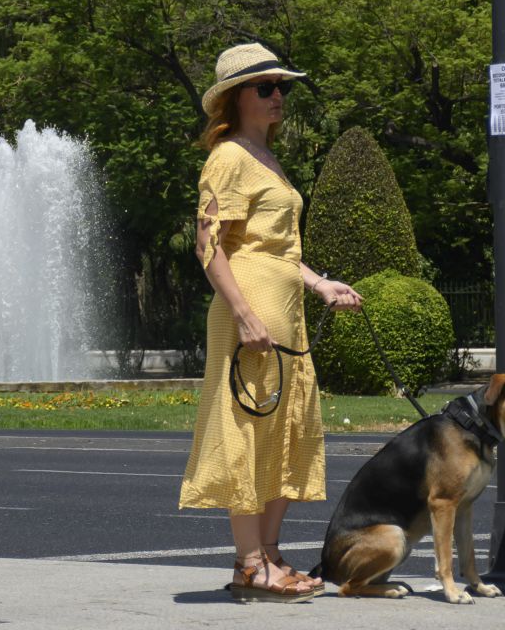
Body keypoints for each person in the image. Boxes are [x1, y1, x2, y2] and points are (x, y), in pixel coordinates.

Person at [178, 42, 363, 602]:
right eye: (266, 87)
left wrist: (318, 282)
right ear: (236, 98)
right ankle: (250, 562)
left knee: (284, 428)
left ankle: (271, 554)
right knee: (248, 428)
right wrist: (243, 313)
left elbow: (279, 249)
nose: (278, 95)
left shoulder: (267, 158)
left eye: (282, 86)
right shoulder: (230, 156)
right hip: (251, 308)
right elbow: (209, 246)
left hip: (284, 309)